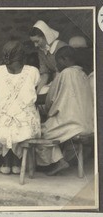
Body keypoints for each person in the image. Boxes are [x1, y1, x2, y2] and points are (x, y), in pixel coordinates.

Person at [37, 46, 94, 175]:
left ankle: (57, 161)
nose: (57, 65)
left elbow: (50, 99)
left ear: (65, 59)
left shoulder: (65, 73)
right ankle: (61, 159)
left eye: (58, 61)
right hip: (88, 125)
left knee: (39, 132)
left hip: (72, 124)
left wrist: (44, 107)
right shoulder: (84, 74)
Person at [0, 40, 41, 175]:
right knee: (19, 122)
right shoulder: (33, 71)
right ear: (23, 55)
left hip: (1, 125)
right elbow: (33, 93)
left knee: (5, 122)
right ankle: (17, 165)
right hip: (26, 125)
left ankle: (6, 164)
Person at [29, 20, 67, 94]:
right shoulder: (41, 51)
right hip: (56, 81)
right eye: (33, 42)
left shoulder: (61, 47)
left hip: (66, 81)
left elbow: (61, 73)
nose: (35, 45)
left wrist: (52, 88)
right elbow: (45, 74)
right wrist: (36, 93)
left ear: (45, 36)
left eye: (37, 41)